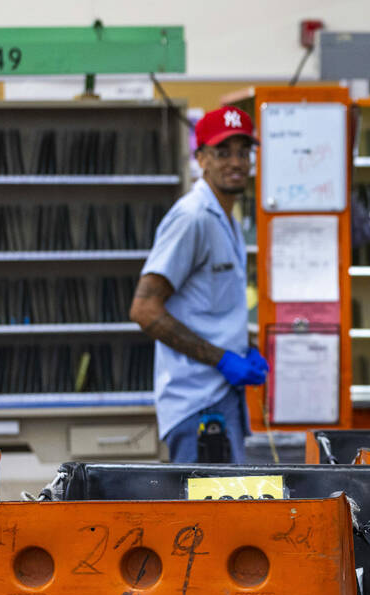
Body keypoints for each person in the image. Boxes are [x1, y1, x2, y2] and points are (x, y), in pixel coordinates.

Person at [129, 106, 267, 463]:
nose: (235, 162)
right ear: (202, 158)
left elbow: (208, 308)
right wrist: (223, 360)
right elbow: (144, 310)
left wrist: (243, 346)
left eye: (243, 152)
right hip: (198, 408)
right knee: (205, 518)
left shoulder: (226, 218)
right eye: (223, 153)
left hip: (223, 401)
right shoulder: (192, 219)